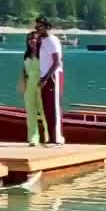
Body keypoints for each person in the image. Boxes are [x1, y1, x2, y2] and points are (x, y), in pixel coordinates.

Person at [36, 15, 64, 144]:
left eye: (40, 26)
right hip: (44, 76)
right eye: (36, 26)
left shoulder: (52, 40)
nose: (37, 28)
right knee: (47, 107)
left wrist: (46, 78)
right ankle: (52, 138)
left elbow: (56, 62)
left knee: (54, 108)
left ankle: (57, 138)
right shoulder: (42, 40)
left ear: (47, 27)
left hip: (53, 76)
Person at [18, 31, 48, 146]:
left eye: (34, 38)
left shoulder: (43, 54)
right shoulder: (27, 54)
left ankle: (48, 137)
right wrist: (22, 83)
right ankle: (33, 138)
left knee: (44, 111)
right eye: (29, 39)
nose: (32, 41)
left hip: (41, 84)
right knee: (30, 112)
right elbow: (24, 70)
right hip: (29, 84)